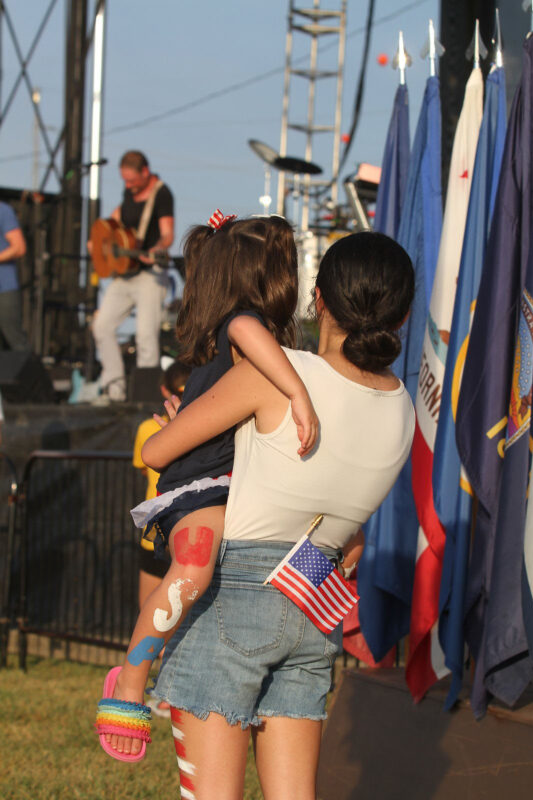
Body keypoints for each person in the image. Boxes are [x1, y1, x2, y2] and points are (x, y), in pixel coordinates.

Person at [144, 230, 415, 800]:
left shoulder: (278, 374)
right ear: (404, 312)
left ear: (318, 300)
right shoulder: (404, 409)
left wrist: (186, 420)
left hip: (233, 600)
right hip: (314, 606)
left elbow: (157, 452)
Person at [95, 213, 319, 762]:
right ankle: (131, 678)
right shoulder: (243, 327)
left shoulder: (246, 344)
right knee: (194, 564)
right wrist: (297, 392)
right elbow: (249, 334)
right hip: (203, 484)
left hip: (230, 480)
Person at [91, 151, 174, 401]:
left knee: (146, 335)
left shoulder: (161, 193)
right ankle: (114, 390)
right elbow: (116, 220)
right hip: (125, 272)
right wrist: (100, 241)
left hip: (150, 275)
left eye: (132, 181)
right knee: (102, 325)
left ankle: (145, 397)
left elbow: (167, 234)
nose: (128, 186)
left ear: (145, 173)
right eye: (125, 181)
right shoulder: (128, 193)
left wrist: (157, 248)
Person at [133, 360, 191, 718]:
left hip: (168, 532)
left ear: (163, 391)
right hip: (174, 530)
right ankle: (161, 687)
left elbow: (148, 461)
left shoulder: (146, 428)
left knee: (158, 611)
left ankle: (164, 688)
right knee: (170, 613)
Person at [0, 201, 30, 352]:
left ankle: (31, 375)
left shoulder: (3, 211)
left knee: (15, 339)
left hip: (4, 288)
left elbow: (19, 247)